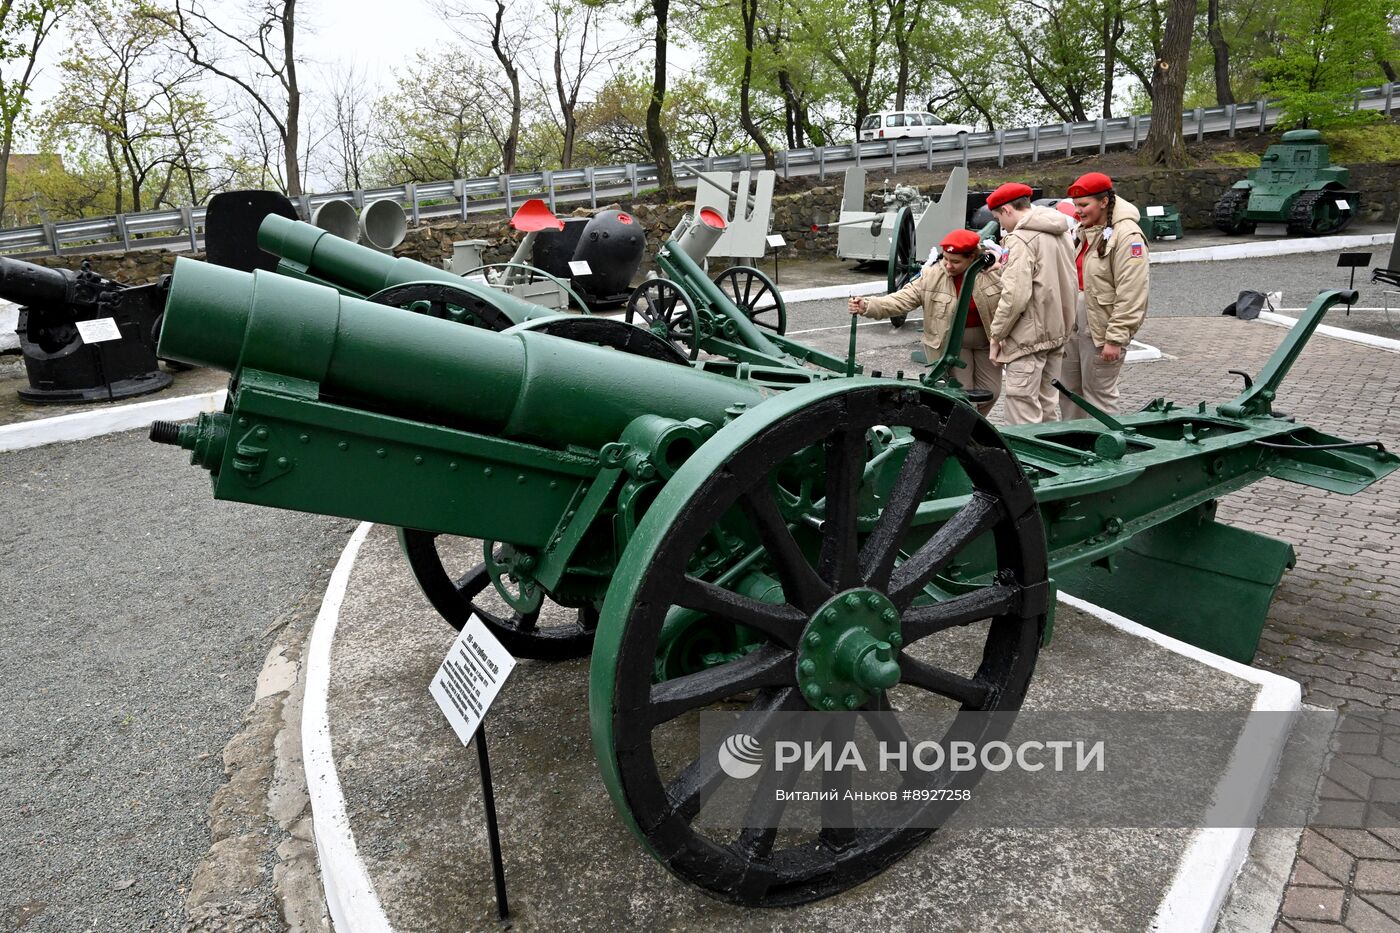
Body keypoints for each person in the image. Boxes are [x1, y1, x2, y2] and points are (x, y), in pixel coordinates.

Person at [849, 228, 1003, 414]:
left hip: (987, 341)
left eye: (955, 262)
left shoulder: (992, 272)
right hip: (952, 345)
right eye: (945, 259)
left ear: (972, 257)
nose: (948, 265)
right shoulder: (931, 276)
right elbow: (901, 299)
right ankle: (966, 435)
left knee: (992, 392)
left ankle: (972, 428)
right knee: (964, 396)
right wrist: (867, 305)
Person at [982, 182, 1076, 424]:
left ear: (1007, 210)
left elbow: (1015, 296)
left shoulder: (1020, 240)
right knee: (1047, 406)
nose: (1000, 225)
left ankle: (1027, 462)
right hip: (1057, 331)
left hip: (1027, 338)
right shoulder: (1060, 232)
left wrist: (996, 334)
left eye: (998, 218)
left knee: (1022, 408)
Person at [1061, 171, 1149, 420]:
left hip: (1100, 330)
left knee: (1099, 395)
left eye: (1084, 205)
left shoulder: (1127, 235)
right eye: (1076, 205)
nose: (1078, 211)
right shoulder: (1083, 231)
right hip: (1074, 327)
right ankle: (1074, 445)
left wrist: (1116, 338)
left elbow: (1132, 291)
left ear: (1104, 202)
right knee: (1069, 393)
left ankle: (1103, 450)